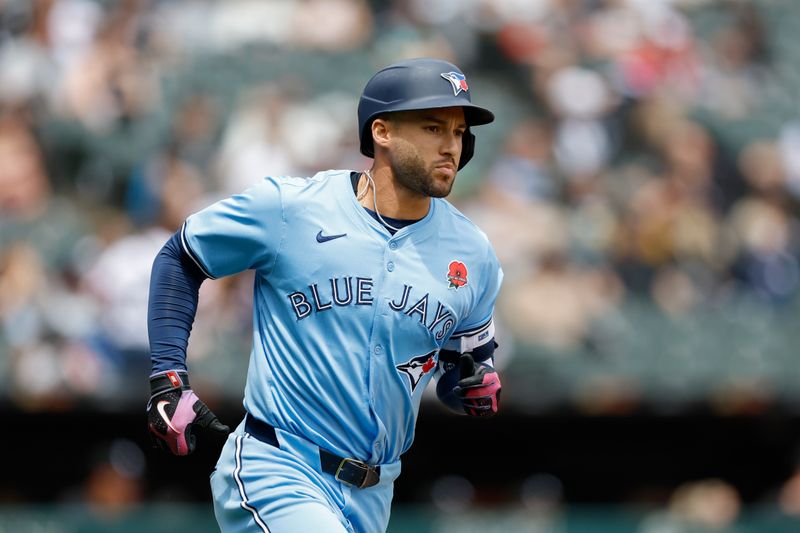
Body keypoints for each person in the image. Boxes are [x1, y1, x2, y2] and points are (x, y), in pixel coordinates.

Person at [146, 57, 504, 533]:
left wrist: (471, 386)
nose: (451, 146)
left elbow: (461, 371)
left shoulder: (472, 253)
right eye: (433, 127)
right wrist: (168, 375)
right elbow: (181, 256)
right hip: (277, 465)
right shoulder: (293, 208)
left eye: (459, 132)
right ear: (382, 132)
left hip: (376, 493)